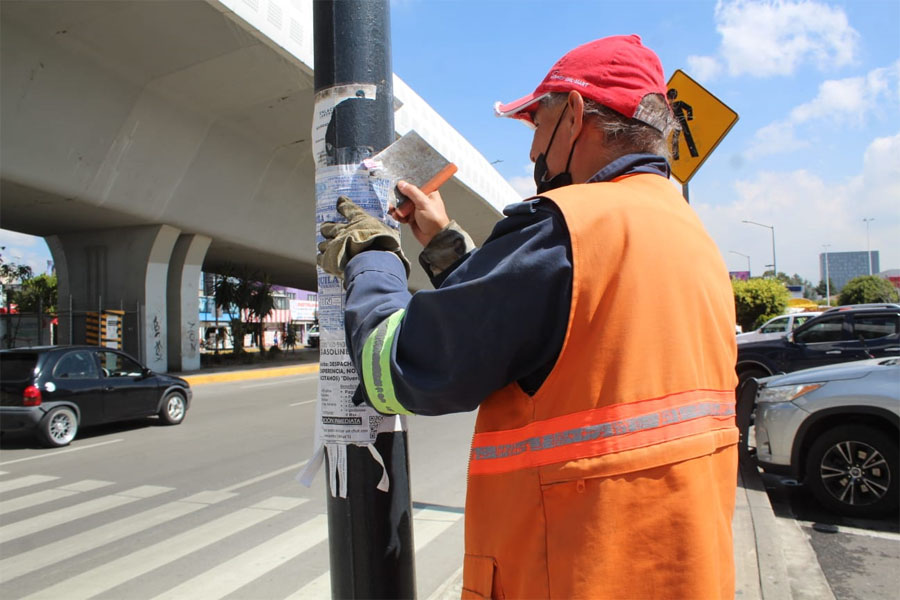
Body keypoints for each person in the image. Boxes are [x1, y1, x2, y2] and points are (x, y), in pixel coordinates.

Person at [318, 35, 738, 599]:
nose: (533, 149)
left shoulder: (566, 226)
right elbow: (551, 333)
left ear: (577, 114)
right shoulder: (692, 236)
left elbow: (393, 369)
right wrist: (445, 249)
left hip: (571, 577)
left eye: (537, 125)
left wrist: (372, 256)